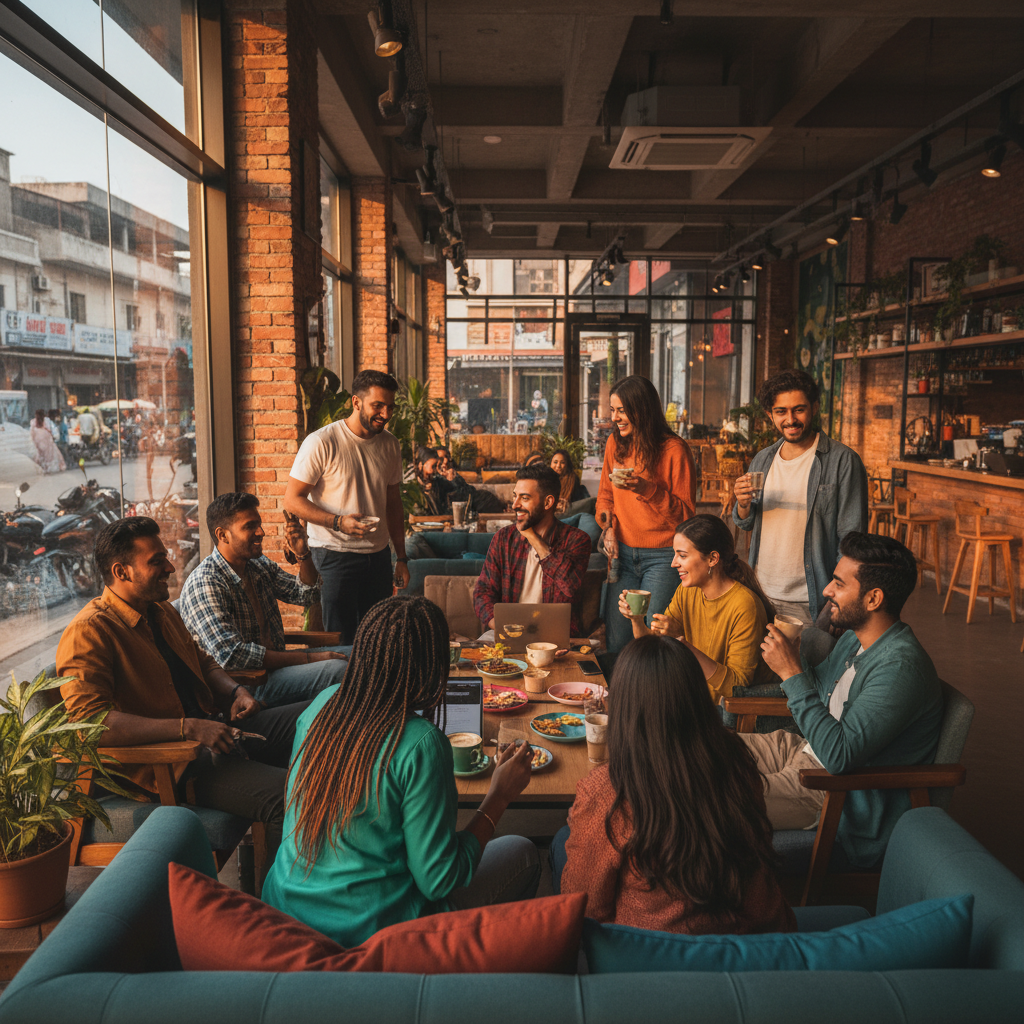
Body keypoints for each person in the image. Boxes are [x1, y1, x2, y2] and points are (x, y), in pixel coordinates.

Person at [262, 596, 539, 946]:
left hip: (284, 912)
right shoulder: (422, 743)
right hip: (370, 932)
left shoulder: (323, 703)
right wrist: (498, 798)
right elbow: (438, 880)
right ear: (433, 665)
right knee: (523, 852)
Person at [56, 517, 307, 882]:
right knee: (292, 797)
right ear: (121, 571)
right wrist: (187, 728)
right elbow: (92, 725)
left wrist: (234, 691)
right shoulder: (89, 632)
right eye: (156, 560)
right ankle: (280, 910)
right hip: (173, 767)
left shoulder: (160, 612)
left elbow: (204, 663)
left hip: (218, 731)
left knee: (320, 716)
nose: (171, 566)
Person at [551, 635, 794, 935]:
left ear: (625, 705)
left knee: (562, 844)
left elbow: (587, 911)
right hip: (742, 948)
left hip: (650, 960)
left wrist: (583, 822)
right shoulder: (736, 762)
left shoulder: (609, 789)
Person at [748, 532, 942, 869]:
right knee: (696, 750)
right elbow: (819, 692)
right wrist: (794, 661)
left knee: (707, 796)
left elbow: (839, 756)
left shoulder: (901, 669)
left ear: (873, 598)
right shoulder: (854, 639)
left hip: (832, 793)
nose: (827, 591)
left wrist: (792, 674)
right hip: (803, 750)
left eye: (838, 583)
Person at [179, 492, 350, 707]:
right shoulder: (206, 583)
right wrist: (311, 658)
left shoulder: (256, 566)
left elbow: (306, 594)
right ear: (223, 535)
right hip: (246, 688)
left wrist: (303, 554)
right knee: (341, 670)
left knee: (361, 652)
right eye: (250, 526)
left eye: (259, 524)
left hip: (276, 669)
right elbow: (233, 656)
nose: (261, 532)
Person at [733, 369, 868, 626]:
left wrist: (838, 598)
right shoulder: (762, 459)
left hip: (813, 598)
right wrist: (742, 504)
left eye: (799, 409)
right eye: (781, 411)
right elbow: (745, 522)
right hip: (760, 592)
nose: (790, 419)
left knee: (805, 666)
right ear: (770, 415)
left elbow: (853, 541)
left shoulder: (842, 461)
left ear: (814, 408)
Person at [284, 369, 409, 642]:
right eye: (377, 406)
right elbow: (292, 500)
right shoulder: (322, 442)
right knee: (340, 642)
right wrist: (338, 522)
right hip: (333, 556)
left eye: (390, 407)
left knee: (377, 639)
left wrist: (400, 557)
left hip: (378, 557)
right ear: (356, 402)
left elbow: (393, 504)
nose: (386, 414)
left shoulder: (390, 444)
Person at [618, 514, 775, 706]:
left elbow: (737, 687)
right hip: (689, 699)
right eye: (675, 554)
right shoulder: (687, 592)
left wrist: (680, 642)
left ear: (712, 559)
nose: (673, 563)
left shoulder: (744, 605)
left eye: (682, 556)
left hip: (718, 713)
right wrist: (636, 618)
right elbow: (653, 650)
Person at [596, 375, 696, 654]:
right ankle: (619, 698)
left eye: (622, 410)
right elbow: (605, 497)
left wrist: (647, 489)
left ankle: (650, 697)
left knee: (652, 640)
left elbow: (687, 517)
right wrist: (609, 527)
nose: (615, 417)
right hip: (622, 557)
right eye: (612, 410)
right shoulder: (615, 445)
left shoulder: (675, 450)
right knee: (617, 641)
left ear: (642, 409)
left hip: (663, 558)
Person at [472, 464, 592, 636]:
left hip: (554, 636)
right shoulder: (503, 539)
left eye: (524, 498)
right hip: (507, 632)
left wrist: (533, 538)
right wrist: (499, 625)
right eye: (515, 497)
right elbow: (482, 592)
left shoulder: (577, 540)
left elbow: (568, 585)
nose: (515, 505)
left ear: (548, 502)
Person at [550, 448, 589, 513]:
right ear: (550, 464)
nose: (558, 466)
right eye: (555, 462)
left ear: (567, 465)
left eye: (562, 462)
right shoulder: (545, 479)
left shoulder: (572, 480)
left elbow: (575, 505)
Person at [30, 408, 65, 474]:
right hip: (47, 439)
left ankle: (41, 468)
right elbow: (53, 430)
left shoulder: (33, 421)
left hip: (37, 440)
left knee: (40, 454)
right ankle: (49, 468)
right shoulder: (47, 421)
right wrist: (55, 437)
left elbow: (31, 432)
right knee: (49, 455)